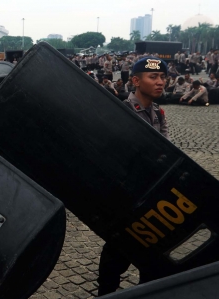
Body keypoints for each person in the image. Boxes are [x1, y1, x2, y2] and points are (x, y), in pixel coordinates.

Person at [98, 57, 169, 296]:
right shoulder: (122, 110)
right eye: (153, 77)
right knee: (117, 251)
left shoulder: (158, 112)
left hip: (152, 193)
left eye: (162, 77)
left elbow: (166, 151)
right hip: (127, 195)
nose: (160, 82)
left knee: (152, 252)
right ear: (136, 81)